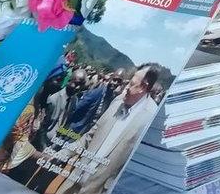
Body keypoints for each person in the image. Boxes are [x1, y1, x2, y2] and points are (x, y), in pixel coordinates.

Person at [68, 64, 162, 194]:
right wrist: (63, 153)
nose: (124, 88)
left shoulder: (151, 119)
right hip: (73, 182)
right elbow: (90, 135)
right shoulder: (118, 101)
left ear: (143, 87)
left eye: (131, 84)